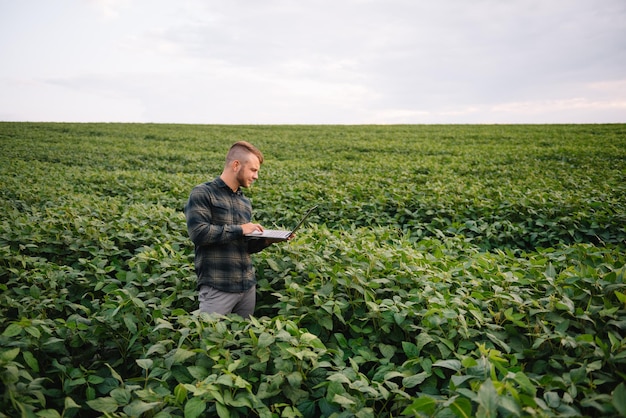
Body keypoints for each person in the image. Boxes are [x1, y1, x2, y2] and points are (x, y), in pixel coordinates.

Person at [184, 141, 275, 317]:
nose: (256, 176)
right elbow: (199, 233)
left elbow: (244, 247)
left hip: (247, 287)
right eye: (253, 170)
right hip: (218, 287)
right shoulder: (203, 193)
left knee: (242, 341)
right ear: (236, 165)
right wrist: (241, 229)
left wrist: (267, 240)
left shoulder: (244, 203)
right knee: (210, 339)